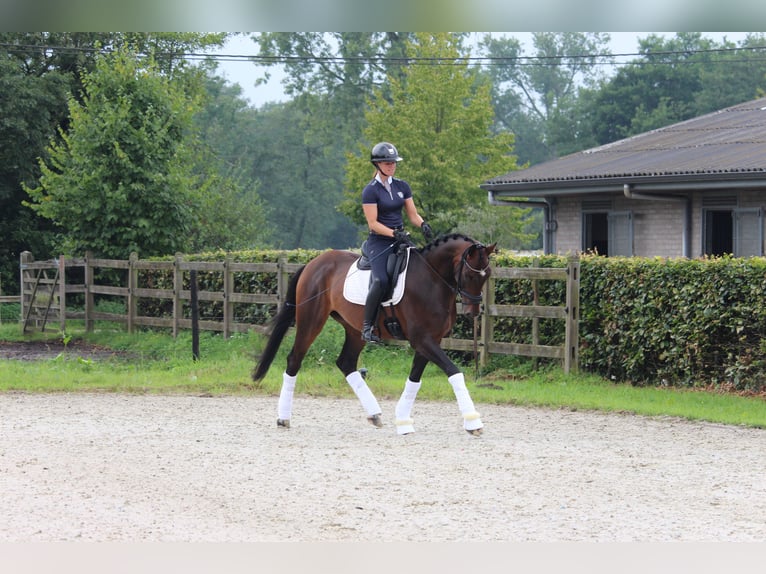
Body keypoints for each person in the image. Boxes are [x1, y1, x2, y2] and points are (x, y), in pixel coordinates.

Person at [361, 141, 433, 343]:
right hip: (379, 242)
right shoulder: (370, 190)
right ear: (377, 164)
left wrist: (423, 225)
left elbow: (412, 214)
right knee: (381, 280)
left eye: (393, 162)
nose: (391, 165)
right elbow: (373, 223)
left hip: (401, 239)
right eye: (386, 163)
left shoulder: (402, 186)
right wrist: (393, 233)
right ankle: (367, 327)